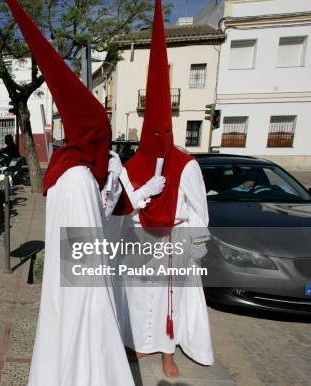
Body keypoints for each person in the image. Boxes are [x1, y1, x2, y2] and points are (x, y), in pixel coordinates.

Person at [6, 1, 134, 385]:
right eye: (103, 133)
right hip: (84, 290)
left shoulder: (67, 169)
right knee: (82, 354)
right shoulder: (77, 176)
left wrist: (109, 192)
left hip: (69, 283)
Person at [112, 0, 213, 378]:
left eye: (163, 133)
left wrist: (192, 246)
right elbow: (120, 207)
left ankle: (168, 351)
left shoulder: (187, 164)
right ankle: (139, 344)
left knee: (169, 298)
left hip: (172, 244)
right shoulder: (130, 166)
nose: (156, 139)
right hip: (140, 244)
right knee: (138, 298)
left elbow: (199, 210)